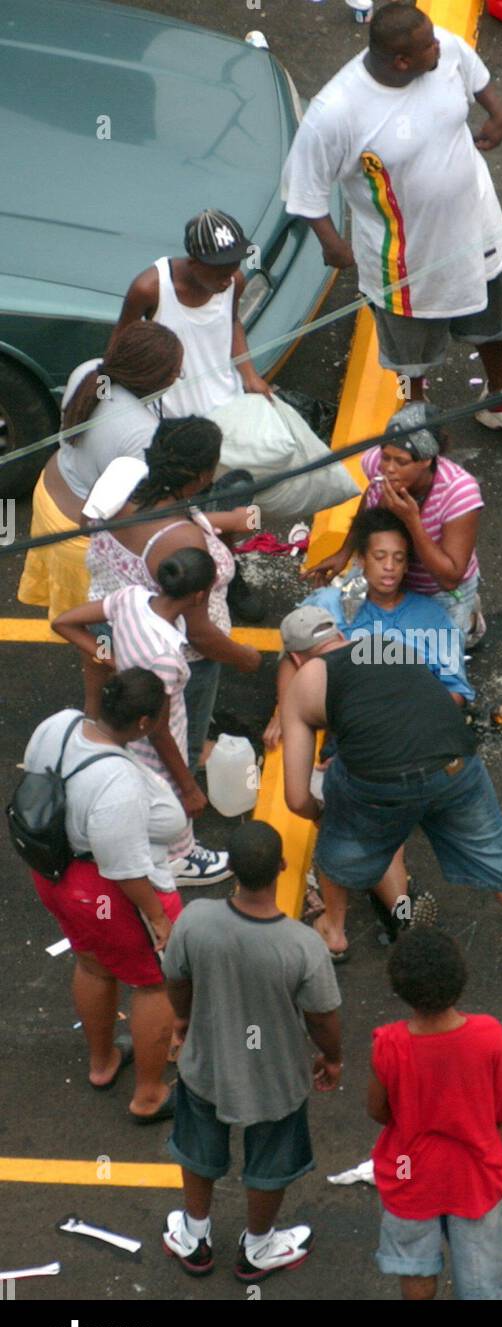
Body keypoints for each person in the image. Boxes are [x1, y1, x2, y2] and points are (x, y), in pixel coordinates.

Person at [282, 2, 502, 451]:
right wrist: (331, 244)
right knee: (410, 360)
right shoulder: (336, 112)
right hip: (405, 262)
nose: (440, 47)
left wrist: (497, 111)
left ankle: (500, 399)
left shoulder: (441, 51)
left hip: (479, 226)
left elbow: (473, 72)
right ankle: (417, 418)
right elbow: (304, 188)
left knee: (495, 323)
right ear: (401, 61)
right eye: (428, 46)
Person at [280, 606, 502, 985]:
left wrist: (326, 816)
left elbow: (296, 798)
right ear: (340, 637)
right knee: (500, 856)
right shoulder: (383, 644)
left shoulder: (305, 680)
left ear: (295, 658)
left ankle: (334, 931)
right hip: (453, 766)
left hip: (379, 789)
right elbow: (422, 708)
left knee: (339, 821)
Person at [161, 821, 342, 1280]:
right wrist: (332, 1057)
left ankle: (195, 1236)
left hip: (206, 1065)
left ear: (232, 869)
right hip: (275, 1078)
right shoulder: (302, 945)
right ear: (282, 867)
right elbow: (321, 1016)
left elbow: (176, 978)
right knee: (271, 1161)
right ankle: (259, 1247)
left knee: (198, 1150)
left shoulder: (195, 919)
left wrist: (182, 1021)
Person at [24, 669, 188, 1123]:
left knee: (93, 963)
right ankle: (149, 1096)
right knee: (153, 982)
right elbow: (125, 868)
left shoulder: (58, 724)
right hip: (103, 890)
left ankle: (103, 1063)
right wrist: (157, 918)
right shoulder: (119, 784)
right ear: (141, 724)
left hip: (55, 874)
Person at [85, 417, 261, 772]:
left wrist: (225, 522)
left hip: (108, 629)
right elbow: (198, 633)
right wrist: (244, 657)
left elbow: (86, 520)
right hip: (182, 656)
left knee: (116, 717)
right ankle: (179, 790)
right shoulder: (182, 540)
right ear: (200, 477)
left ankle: (104, 759)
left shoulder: (122, 482)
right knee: (177, 744)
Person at [53, 548, 232, 888]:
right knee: (166, 802)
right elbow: (159, 732)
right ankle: (179, 858)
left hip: (126, 724)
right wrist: (190, 788)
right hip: (154, 743)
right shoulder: (164, 654)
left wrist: (113, 661)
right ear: (199, 595)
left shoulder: (131, 598)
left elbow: (64, 622)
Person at [368, 929, 502, 1300]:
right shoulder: (490, 1034)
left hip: (409, 1171)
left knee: (415, 1267)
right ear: (460, 978)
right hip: (473, 1173)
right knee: (485, 1277)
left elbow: (377, 1110)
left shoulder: (389, 1043)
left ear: (400, 987)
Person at [265, 505, 473, 749]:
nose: (389, 567)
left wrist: (402, 722)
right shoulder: (328, 604)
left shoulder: (434, 618)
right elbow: (293, 657)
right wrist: (285, 713)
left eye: (399, 558)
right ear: (361, 560)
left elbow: (456, 692)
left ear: (407, 565)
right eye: (379, 556)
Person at [16, 321, 182, 622]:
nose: (177, 376)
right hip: (79, 539)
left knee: (83, 627)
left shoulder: (89, 370)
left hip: (49, 497)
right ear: (152, 378)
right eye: (174, 372)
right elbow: (129, 508)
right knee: (101, 632)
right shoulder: (144, 436)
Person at [306, 402, 486, 642]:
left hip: (436, 591)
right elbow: (369, 501)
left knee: (435, 651)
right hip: (382, 573)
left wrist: (412, 521)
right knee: (346, 623)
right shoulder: (376, 464)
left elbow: (449, 578)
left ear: (426, 461)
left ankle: (470, 622)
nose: (388, 469)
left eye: (400, 462)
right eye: (385, 457)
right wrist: (345, 552)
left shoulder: (459, 493)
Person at [109, 209, 273, 415]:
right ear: (194, 264)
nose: (228, 280)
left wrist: (249, 376)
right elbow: (120, 343)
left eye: (233, 271)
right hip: (170, 417)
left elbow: (232, 322)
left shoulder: (234, 281)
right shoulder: (150, 289)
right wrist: (105, 396)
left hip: (227, 405)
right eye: (221, 274)